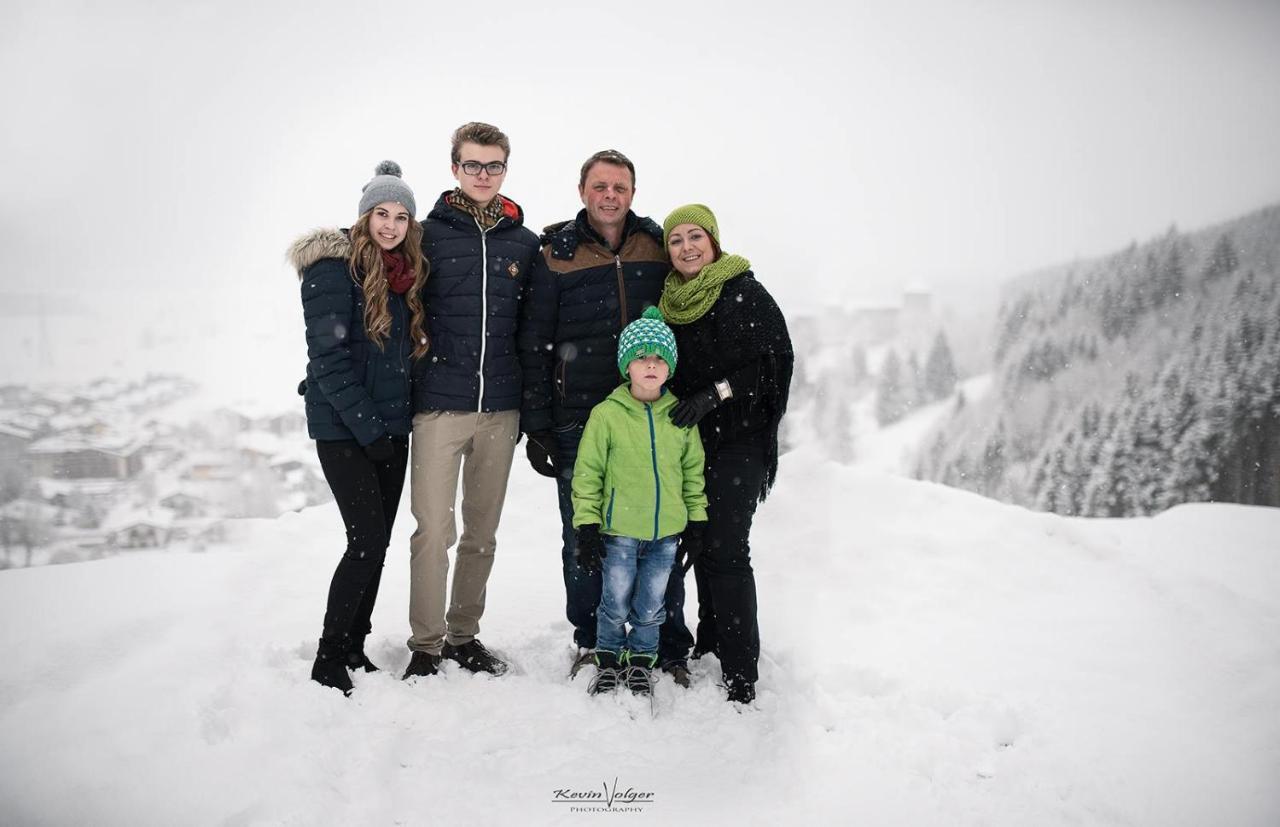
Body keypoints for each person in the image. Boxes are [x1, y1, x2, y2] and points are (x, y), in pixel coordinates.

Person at [517, 150, 694, 683]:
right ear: (582, 191)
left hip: (650, 416)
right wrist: (539, 424)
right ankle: (593, 641)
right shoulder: (555, 254)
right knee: (584, 534)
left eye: (619, 186)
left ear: (633, 193)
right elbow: (534, 343)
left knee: (661, 531)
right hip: (578, 418)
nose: (610, 195)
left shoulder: (657, 246)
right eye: (600, 186)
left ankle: (666, 644)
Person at [401, 123, 540, 681]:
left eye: (494, 166)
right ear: (454, 168)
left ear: (505, 169)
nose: (484, 175)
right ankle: (425, 645)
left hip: (500, 409)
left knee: (482, 532)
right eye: (473, 165)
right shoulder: (427, 236)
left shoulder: (524, 245)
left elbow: (533, 327)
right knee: (433, 530)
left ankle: (464, 636)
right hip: (439, 406)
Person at [290, 161, 428, 695]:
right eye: (381, 213)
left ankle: (354, 644)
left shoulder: (403, 275)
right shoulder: (332, 269)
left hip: (390, 429)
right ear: (365, 215)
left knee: (379, 543)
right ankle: (328, 656)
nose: (390, 225)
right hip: (345, 429)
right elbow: (328, 360)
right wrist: (368, 429)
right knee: (364, 541)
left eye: (400, 216)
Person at [658, 204, 794, 705]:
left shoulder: (743, 292)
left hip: (741, 438)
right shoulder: (671, 301)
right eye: (676, 240)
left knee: (727, 548)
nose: (687, 247)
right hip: (692, 441)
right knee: (699, 538)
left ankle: (741, 673)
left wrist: (714, 394)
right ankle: (710, 642)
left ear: (713, 241)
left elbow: (771, 367)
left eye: (696, 236)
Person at [570, 307, 707, 696]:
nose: (651, 365)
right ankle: (609, 657)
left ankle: (642, 661)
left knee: (651, 605)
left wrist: (696, 520)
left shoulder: (679, 417)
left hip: (666, 535)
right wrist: (587, 524)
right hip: (620, 532)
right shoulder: (607, 415)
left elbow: (693, 473)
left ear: (670, 368)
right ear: (626, 366)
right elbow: (588, 473)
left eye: (660, 358)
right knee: (614, 601)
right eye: (642, 357)